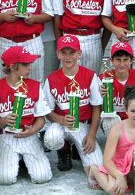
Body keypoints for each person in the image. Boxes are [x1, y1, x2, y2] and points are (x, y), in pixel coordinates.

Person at [0, 46, 52, 185]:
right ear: (13, 66)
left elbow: (41, 119)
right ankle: (18, 160)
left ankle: (24, 160)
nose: (30, 68)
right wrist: (4, 120)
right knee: (5, 180)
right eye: (26, 64)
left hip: (30, 137)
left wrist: (33, 130)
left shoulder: (34, 86)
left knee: (42, 177)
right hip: (7, 138)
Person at [43, 35, 103, 176]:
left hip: (83, 125)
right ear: (58, 54)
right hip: (61, 124)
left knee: (97, 167)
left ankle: (77, 147)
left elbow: (96, 108)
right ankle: (64, 151)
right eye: (63, 52)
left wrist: (92, 135)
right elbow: (48, 112)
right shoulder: (51, 79)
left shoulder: (90, 76)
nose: (68, 57)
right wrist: (61, 120)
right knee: (51, 138)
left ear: (79, 53)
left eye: (72, 52)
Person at [88, 86, 135, 195]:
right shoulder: (118, 128)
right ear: (126, 111)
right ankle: (94, 170)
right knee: (114, 190)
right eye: (133, 111)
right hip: (118, 167)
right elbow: (107, 159)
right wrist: (119, 176)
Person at [99, 42, 135, 137]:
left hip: (134, 116)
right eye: (118, 59)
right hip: (112, 118)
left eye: (125, 59)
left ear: (131, 60)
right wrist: (100, 96)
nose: (122, 64)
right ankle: (116, 148)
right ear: (111, 61)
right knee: (110, 121)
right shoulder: (103, 79)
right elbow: (97, 108)